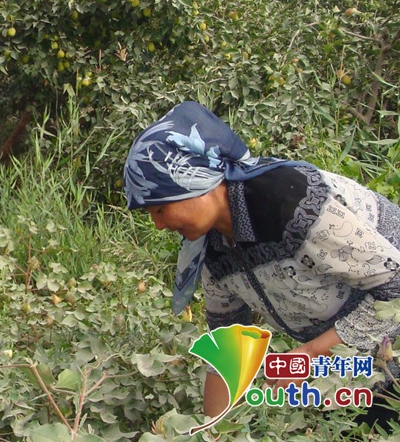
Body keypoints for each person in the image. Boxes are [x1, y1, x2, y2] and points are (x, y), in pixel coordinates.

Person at [123, 100, 400, 428]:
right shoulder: (212, 248)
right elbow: (230, 342)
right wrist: (211, 433)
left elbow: (395, 289)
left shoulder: (291, 204)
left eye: (159, 208)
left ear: (195, 182)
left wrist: (310, 355)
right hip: (362, 371)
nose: (158, 225)